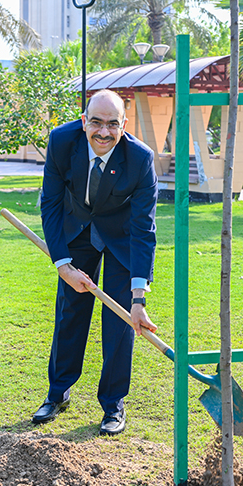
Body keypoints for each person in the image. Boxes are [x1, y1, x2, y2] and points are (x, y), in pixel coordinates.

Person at [34, 89, 159, 436]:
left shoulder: (140, 159)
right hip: (78, 230)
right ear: (83, 119)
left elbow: (143, 228)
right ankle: (57, 394)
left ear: (124, 125)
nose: (104, 132)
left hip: (120, 238)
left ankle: (113, 405)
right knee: (70, 313)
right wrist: (63, 265)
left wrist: (138, 299)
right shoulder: (61, 142)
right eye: (97, 123)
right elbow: (51, 204)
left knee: (119, 321)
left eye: (113, 125)